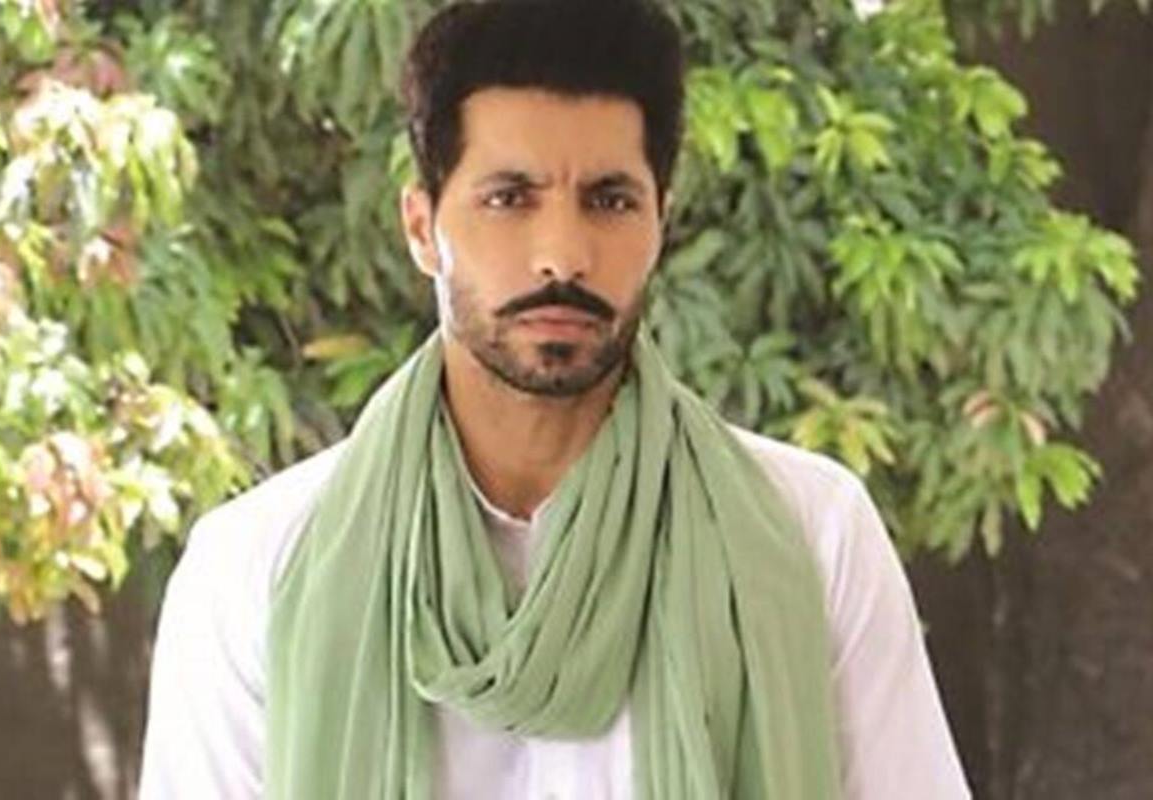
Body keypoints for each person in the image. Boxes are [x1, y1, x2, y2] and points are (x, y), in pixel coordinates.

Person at [138, 0, 972, 797]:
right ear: (422, 228)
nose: (563, 255)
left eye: (610, 201)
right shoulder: (259, 566)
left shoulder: (811, 533)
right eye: (509, 199)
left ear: (661, 223)